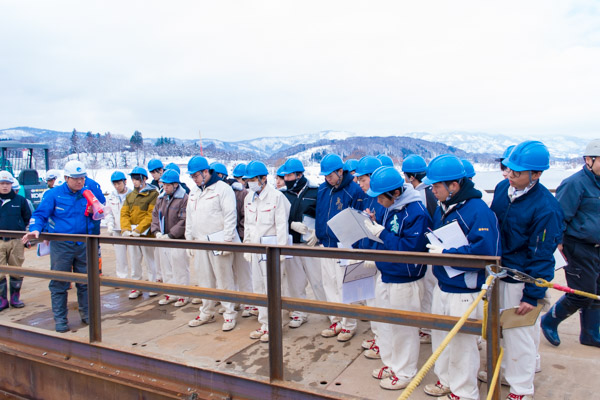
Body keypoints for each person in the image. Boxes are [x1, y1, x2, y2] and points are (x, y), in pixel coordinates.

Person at [421, 154, 500, 400]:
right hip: (444, 283)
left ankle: (465, 392)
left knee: (462, 344)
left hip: (465, 290)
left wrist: (447, 252)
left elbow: (487, 251)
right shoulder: (444, 208)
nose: (432, 190)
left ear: (453, 186)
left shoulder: (477, 210)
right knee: (441, 336)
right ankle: (446, 380)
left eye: (436, 186)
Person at [489, 141, 563, 400]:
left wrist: (532, 295)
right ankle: (513, 369)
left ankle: (522, 388)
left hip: (520, 277)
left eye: (517, 173)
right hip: (500, 270)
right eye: (508, 170)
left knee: (518, 331)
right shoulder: (501, 189)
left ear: (537, 174)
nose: (510, 176)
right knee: (507, 330)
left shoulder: (546, 208)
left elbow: (542, 255)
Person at [362, 166, 432, 390]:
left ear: (394, 193)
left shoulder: (416, 213)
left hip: (405, 278)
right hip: (387, 273)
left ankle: (405, 372)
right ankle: (392, 363)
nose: (377, 202)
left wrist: (381, 232)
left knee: (403, 329)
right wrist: (376, 225)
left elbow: (408, 249)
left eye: (379, 197)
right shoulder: (393, 207)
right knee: (386, 325)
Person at [21, 160, 95, 332]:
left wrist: (95, 214)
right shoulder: (54, 195)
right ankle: (61, 320)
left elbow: (97, 215)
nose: (80, 182)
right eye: (76, 178)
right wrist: (35, 229)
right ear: (66, 178)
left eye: (82, 178)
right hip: (62, 246)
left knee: (85, 282)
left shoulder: (86, 194)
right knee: (59, 283)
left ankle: (87, 314)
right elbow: (40, 214)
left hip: (83, 244)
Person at [541, 139, 600, 348]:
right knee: (581, 293)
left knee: (596, 291)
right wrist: (558, 243)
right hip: (578, 246)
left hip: (597, 247)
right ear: (588, 160)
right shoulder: (575, 183)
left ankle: (591, 333)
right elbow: (559, 216)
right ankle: (549, 320)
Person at [316, 153, 365, 342]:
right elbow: (321, 213)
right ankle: (335, 319)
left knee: (345, 285)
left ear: (340, 171)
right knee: (329, 284)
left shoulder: (353, 190)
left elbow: (357, 219)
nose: (327, 178)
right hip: (326, 243)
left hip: (344, 244)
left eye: (330, 175)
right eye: (325, 176)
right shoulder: (323, 189)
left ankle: (349, 324)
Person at [186, 156, 239, 332]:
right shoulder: (194, 192)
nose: (194, 179)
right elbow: (190, 216)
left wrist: (227, 240)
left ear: (206, 172)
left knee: (224, 278)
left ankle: (229, 313)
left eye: (196, 175)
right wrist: (189, 239)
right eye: (192, 176)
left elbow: (230, 215)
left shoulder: (223, 189)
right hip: (200, 241)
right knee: (204, 278)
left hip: (219, 241)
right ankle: (206, 311)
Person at [242, 160, 290, 342]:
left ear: (263, 179)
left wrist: (281, 252)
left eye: (254, 179)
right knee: (258, 288)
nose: (250, 183)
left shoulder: (276, 197)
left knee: (273, 288)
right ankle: (264, 324)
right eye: (248, 180)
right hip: (255, 249)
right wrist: (247, 246)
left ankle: (275, 325)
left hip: (271, 249)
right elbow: (248, 224)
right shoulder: (248, 198)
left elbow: (281, 227)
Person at [280, 158, 326, 328]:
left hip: (311, 244)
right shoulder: (283, 194)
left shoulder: (316, 191)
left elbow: (323, 214)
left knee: (319, 280)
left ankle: (332, 313)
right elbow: (279, 217)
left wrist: (318, 232)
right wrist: (290, 224)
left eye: (290, 175)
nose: (287, 179)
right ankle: (299, 312)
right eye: (285, 176)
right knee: (295, 282)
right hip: (293, 243)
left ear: (299, 175)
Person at [401, 153, 438, 345]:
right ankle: (428, 327)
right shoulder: (433, 190)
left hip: (427, 248)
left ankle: (427, 328)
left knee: (427, 289)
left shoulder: (420, 194)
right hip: (434, 246)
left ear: (411, 177)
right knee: (430, 289)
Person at [352, 155, 386, 356]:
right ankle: (378, 336)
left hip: (379, 257)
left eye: (363, 180)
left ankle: (383, 341)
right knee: (371, 298)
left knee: (379, 301)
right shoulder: (367, 197)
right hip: (367, 252)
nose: (360, 184)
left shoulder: (383, 199)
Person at [151, 169, 190, 307]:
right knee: (166, 267)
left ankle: (183, 294)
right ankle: (170, 293)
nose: (165, 187)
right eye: (164, 184)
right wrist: (156, 231)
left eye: (168, 185)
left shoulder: (184, 199)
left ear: (175, 185)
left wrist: (171, 234)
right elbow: (155, 215)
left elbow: (184, 220)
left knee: (179, 267)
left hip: (177, 239)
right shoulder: (161, 198)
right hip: (163, 238)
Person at [120, 166, 160, 299]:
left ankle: (153, 285)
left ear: (144, 179)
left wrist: (139, 229)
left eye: (137, 179)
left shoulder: (153, 194)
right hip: (132, 234)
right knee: (135, 261)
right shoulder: (130, 196)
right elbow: (124, 213)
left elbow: (151, 214)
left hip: (146, 234)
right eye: (133, 179)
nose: (135, 181)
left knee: (150, 261)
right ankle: (136, 286)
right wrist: (126, 229)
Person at [0, 171, 32, 311]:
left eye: (7, 183)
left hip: (16, 241)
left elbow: (27, 218)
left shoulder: (20, 200)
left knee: (16, 269)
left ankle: (15, 297)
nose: (5, 186)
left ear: (12, 185)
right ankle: (2, 299)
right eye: (2, 183)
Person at [105, 171, 131, 280]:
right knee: (120, 256)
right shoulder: (111, 197)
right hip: (117, 229)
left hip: (130, 230)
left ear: (125, 182)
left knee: (134, 256)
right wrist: (110, 225)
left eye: (119, 183)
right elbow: (109, 213)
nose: (117, 186)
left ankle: (135, 278)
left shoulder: (132, 195)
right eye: (114, 184)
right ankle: (122, 277)